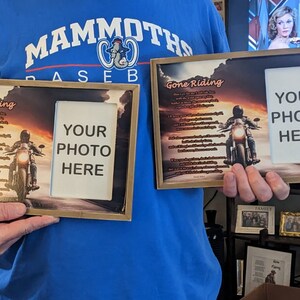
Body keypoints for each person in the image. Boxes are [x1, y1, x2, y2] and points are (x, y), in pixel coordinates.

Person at [0, 1, 290, 299]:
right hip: (38, 288)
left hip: (174, 285)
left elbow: (218, 104)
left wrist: (254, 170)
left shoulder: (198, 8)